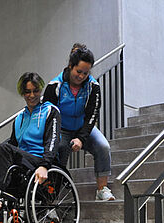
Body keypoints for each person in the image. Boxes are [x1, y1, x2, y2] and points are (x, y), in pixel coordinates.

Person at [43, 43, 115, 201]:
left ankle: (102, 190)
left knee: (103, 146)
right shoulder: (55, 86)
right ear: (70, 66)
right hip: (60, 129)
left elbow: (92, 115)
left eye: (86, 72)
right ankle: (50, 200)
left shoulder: (93, 87)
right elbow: (47, 115)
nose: (82, 76)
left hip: (83, 128)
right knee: (58, 150)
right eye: (78, 71)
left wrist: (81, 138)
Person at [0, 72, 61, 202]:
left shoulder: (50, 111)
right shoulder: (19, 118)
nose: (32, 95)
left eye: (36, 91)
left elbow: (53, 140)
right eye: (27, 92)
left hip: (39, 160)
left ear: (40, 90)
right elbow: (13, 143)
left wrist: (45, 165)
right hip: (23, 161)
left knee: (4, 148)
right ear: (22, 93)